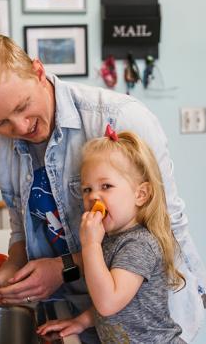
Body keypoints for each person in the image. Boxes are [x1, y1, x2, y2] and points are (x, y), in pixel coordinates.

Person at [0, 35, 206, 343]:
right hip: (79, 317)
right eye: (1, 122)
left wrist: (64, 267)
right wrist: (4, 282)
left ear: (38, 71)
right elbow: (21, 235)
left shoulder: (120, 118)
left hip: (147, 325)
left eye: (23, 106)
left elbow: (163, 231)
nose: (20, 127)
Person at [37, 128, 187, 343]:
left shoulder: (138, 244)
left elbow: (108, 303)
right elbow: (120, 307)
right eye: (87, 189)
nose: (93, 196)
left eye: (106, 186)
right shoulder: (111, 239)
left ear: (140, 194)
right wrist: (81, 322)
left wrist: (90, 245)